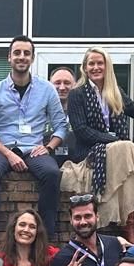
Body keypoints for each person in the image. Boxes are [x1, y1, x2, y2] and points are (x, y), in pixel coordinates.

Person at [0, 35, 67, 235]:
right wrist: (8, 154)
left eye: (26, 53)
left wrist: (49, 147)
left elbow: (61, 126)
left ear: (32, 58)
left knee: (52, 173)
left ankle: (46, 235)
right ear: (9, 57)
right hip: (2, 148)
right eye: (17, 53)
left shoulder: (47, 90)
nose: (22, 57)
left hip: (34, 148)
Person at [67, 45, 134, 230]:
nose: (96, 67)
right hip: (90, 153)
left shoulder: (114, 91)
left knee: (128, 172)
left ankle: (130, 225)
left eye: (100, 63)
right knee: (126, 147)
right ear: (85, 68)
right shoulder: (77, 94)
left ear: (107, 66)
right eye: (91, 64)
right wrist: (114, 141)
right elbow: (81, 131)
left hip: (116, 152)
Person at [47, 66, 94, 195]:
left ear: (75, 86)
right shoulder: (40, 113)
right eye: (57, 83)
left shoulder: (86, 113)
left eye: (67, 83)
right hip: (48, 172)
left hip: (80, 172)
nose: (62, 87)